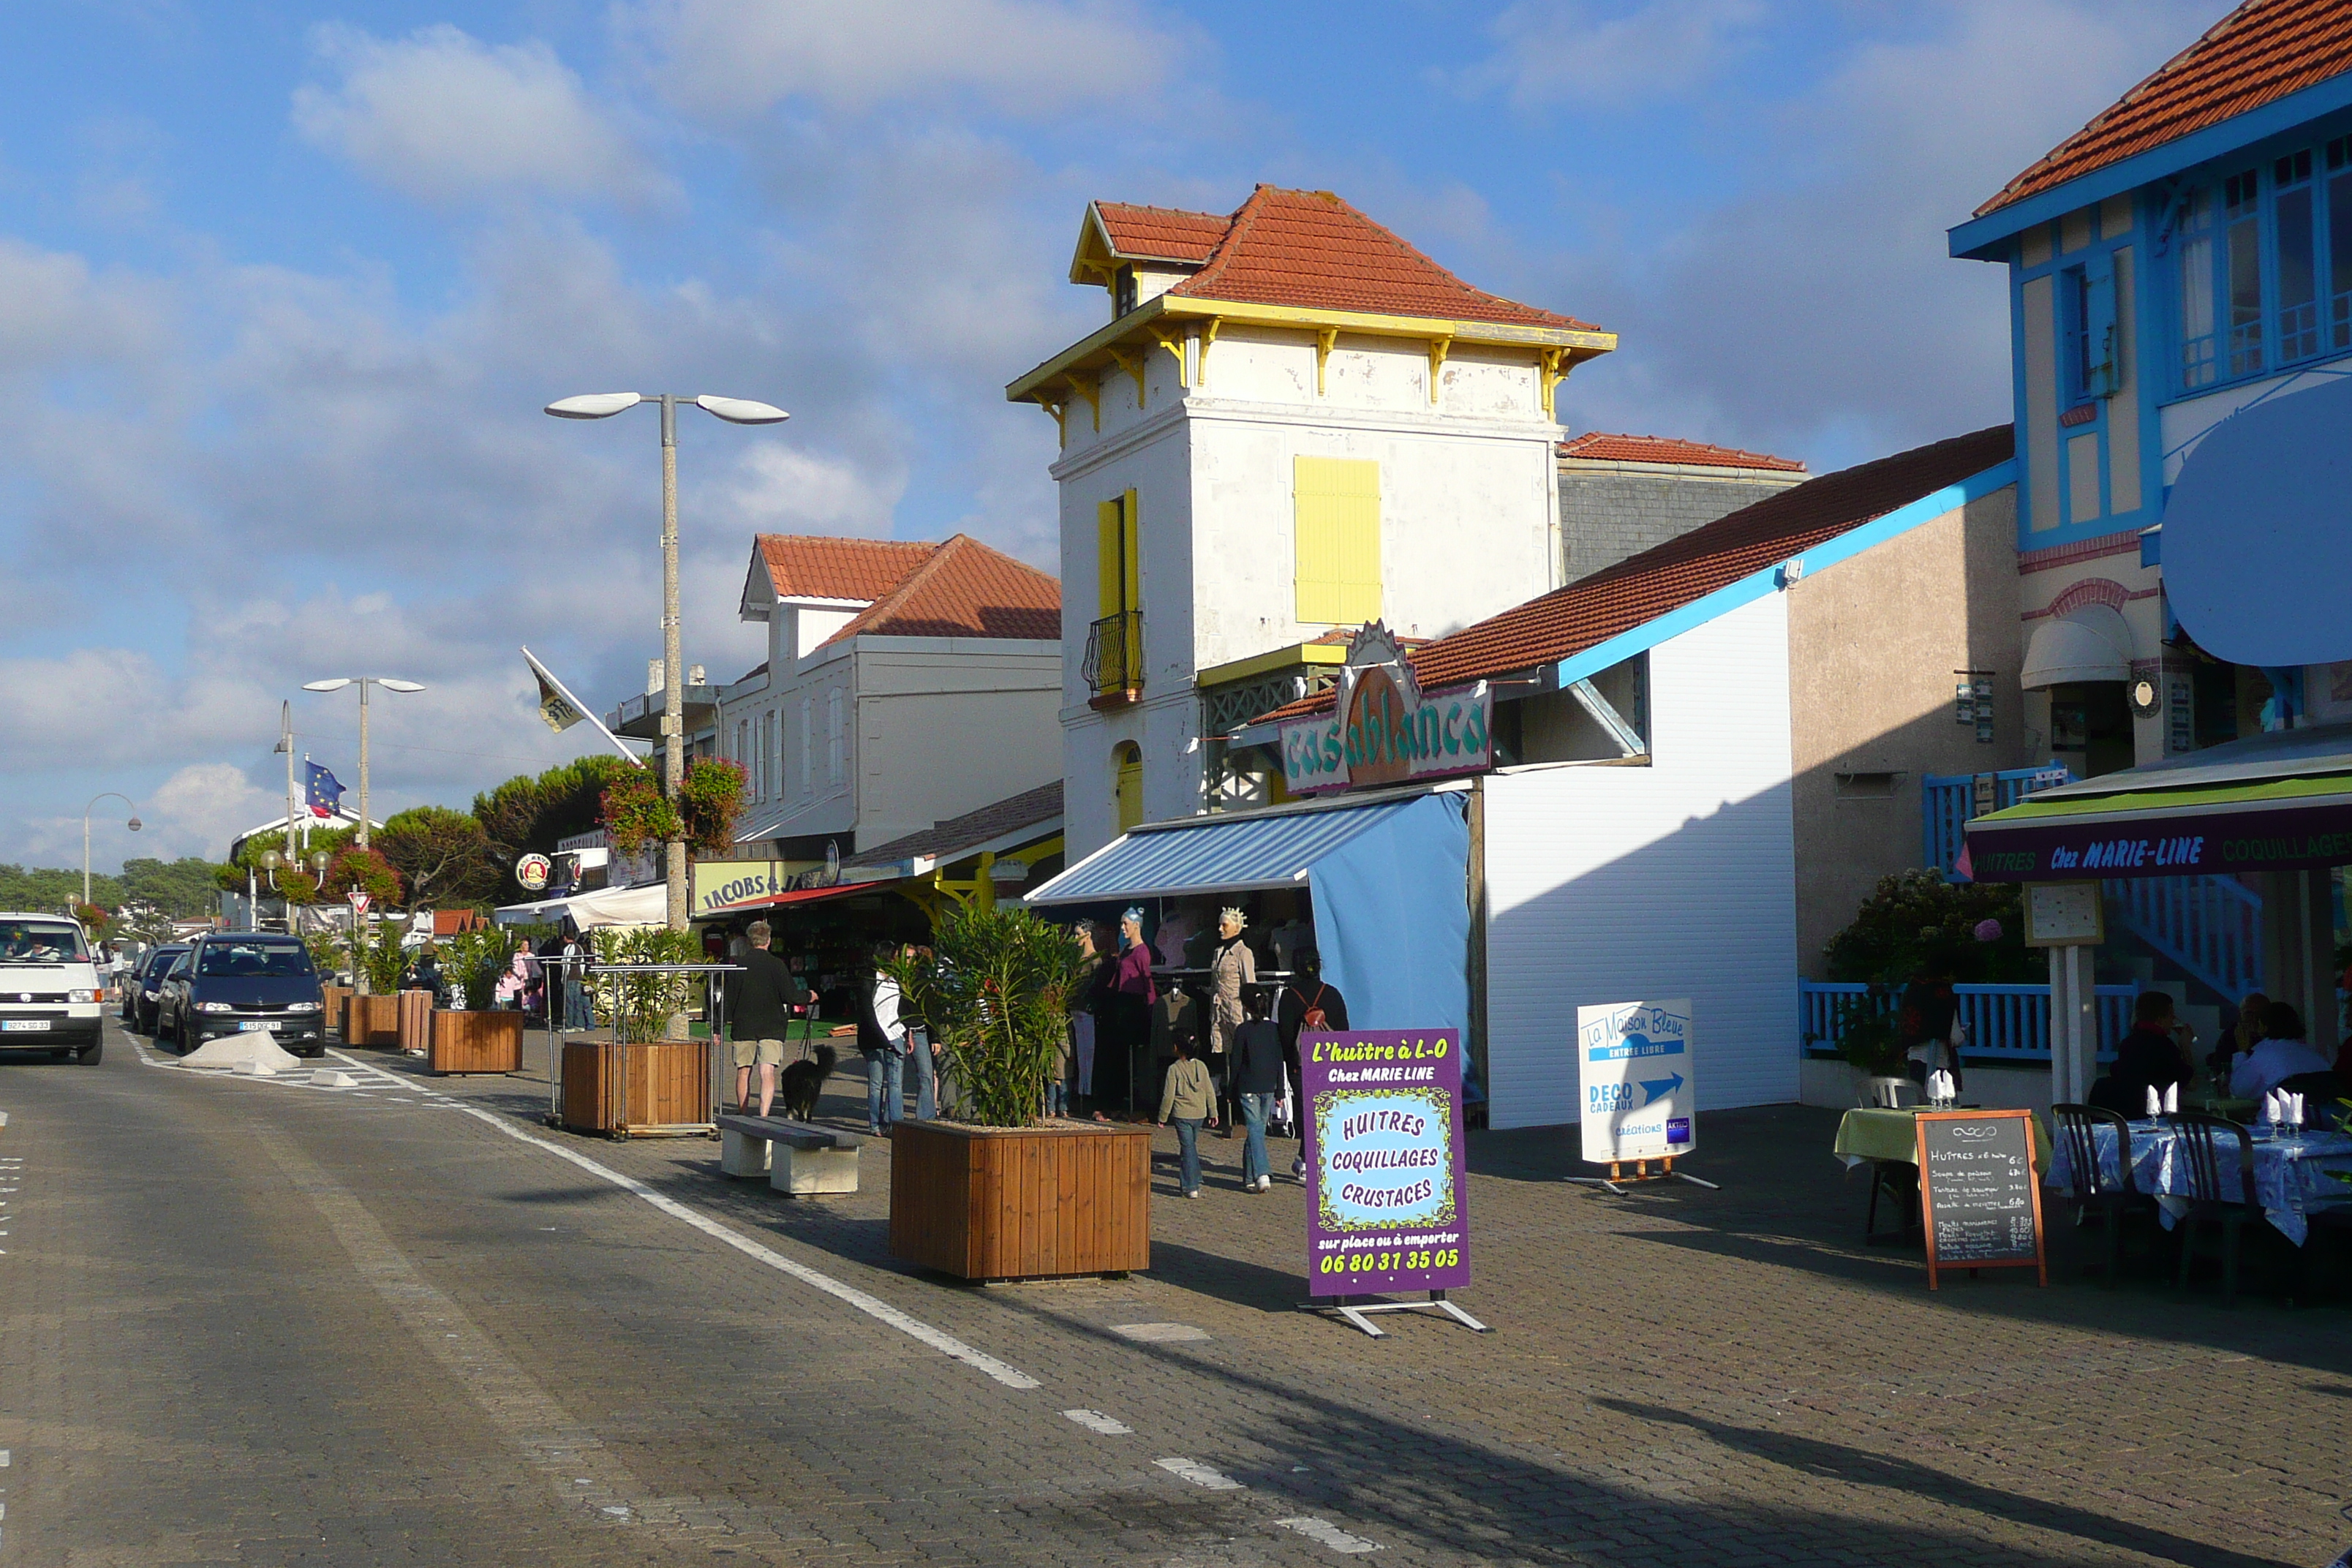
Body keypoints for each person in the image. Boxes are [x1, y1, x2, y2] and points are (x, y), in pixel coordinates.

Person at [723, 919, 810, 1118]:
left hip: (744, 1025)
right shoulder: (776, 965)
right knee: (767, 1072)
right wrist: (809, 995)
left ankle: (743, 1113)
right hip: (772, 1025)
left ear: (749, 941)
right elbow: (790, 995)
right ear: (768, 940)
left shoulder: (739, 966)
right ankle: (763, 1115)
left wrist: (717, 1028)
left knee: (743, 1071)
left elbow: (729, 999)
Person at [1278, 950, 1348, 1178]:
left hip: (1300, 1065)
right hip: (1330, 1063)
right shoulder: (1333, 995)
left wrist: (1291, 1063)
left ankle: (1307, 1160)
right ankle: (1312, 1158)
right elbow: (1345, 1033)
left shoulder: (1288, 997)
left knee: (1308, 1111)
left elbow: (1286, 1036)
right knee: (1326, 1111)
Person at [1096, 908, 1156, 1120]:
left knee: (1130, 1055)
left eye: (1126, 924)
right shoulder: (1126, 950)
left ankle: (1133, 1103)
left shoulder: (1141, 951)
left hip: (1133, 1005)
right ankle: (1115, 1102)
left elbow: (1146, 980)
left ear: (1136, 926)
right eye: (1122, 924)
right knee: (1116, 1053)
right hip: (1120, 1002)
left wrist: (1151, 1007)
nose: (1123, 928)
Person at [1206, 908, 1255, 1138]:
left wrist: (1251, 1013)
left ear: (1236, 926)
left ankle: (1244, 1115)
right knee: (1225, 1058)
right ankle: (1229, 1113)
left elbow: (1249, 984)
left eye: (1224, 925)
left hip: (1237, 1011)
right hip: (1219, 1011)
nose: (1220, 929)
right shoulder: (1218, 952)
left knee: (1241, 1058)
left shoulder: (1243, 953)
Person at [1232, 988, 1283, 1193]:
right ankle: (1251, 1175)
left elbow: (1235, 1062)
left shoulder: (1243, 1030)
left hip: (1249, 1087)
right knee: (1257, 1130)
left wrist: (1230, 1091)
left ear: (1245, 1007)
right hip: (1268, 1085)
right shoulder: (1274, 1029)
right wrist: (1280, 1089)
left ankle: (1259, 1173)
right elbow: (1279, 1061)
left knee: (1255, 1131)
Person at [2230, 1000, 2336, 1099]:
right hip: (2323, 1118)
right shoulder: (2315, 1055)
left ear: (2263, 1027)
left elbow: (2239, 1090)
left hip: (2281, 1118)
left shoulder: (2262, 1057)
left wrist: (2241, 1052)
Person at [2108, 990, 2194, 1110]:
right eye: (2171, 1016)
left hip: (2127, 1112)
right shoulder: (2164, 1046)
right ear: (2159, 1020)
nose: (2173, 1020)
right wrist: (2185, 1046)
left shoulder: (2127, 1043)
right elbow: (2190, 1084)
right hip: (2154, 1114)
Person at [1157, 1034, 1216, 1198]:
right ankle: (1196, 1176)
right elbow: (1209, 1090)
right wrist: (1213, 1111)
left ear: (1177, 1048)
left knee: (1187, 1148)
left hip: (1182, 1114)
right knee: (1190, 1147)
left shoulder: (1174, 1069)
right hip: (1199, 1113)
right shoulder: (1202, 1066)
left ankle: (1190, 1185)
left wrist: (1163, 1116)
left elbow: (1168, 1095)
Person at [859, 943, 909, 1134]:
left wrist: (907, 1033)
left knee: (895, 1083)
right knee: (876, 1083)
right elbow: (867, 1010)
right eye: (895, 956)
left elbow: (902, 1007)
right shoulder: (870, 979)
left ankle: (896, 1124)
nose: (897, 960)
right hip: (874, 1036)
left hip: (895, 1033)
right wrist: (880, 1038)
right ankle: (875, 1124)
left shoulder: (897, 979)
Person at [1898, 973, 1964, 1095]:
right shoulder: (1944, 997)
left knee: (1920, 1101)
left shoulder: (1912, 991)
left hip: (1915, 1058)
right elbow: (1956, 1038)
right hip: (1939, 1062)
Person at [2208, 992, 2267, 1083]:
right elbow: (2221, 1068)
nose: (2255, 1018)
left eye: (2260, 1013)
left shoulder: (2274, 1037)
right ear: (2241, 1014)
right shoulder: (2231, 1035)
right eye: (2249, 1014)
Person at [558, 923, 592, 1031]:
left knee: (569, 1001)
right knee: (577, 1001)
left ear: (565, 938)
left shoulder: (568, 948)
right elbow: (582, 964)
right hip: (578, 976)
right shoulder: (580, 948)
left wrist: (564, 978)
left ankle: (569, 1025)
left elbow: (566, 963)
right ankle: (580, 1024)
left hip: (570, 977)